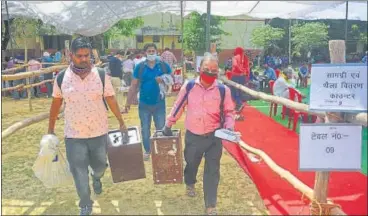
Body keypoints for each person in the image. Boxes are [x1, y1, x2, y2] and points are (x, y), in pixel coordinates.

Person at [47, 37, 129, 216]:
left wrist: (121, 121)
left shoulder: (100, 75)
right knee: (78, 171)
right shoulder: (62, 78)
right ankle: (85, 203)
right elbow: (55, 104)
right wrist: (50, 129)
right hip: (74, 135)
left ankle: (97, 178)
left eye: (87, 55)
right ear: (71, 55)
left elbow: (111, 99)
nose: (84, 59)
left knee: (100, 165)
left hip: (98, 133)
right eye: (79, 56)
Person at [162, 53, 234, 215]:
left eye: (213, 70)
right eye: (206, 69)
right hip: (193, 136)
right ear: (199, 69)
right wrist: (168, 125)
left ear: (218, 72)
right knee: (191, 163)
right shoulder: (189, 87)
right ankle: (190, 182)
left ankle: (210, 205)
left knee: (212, 170)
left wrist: (229, 127)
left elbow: (229, 112)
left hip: (214, 137)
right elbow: (178, 106)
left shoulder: (223, 90)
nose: (209, 73)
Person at [125, 43, 172, 161]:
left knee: (160, 128)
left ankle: (160, 150)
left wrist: (164, 79)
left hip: (159, 103)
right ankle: (147, 150)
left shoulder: (163, 66)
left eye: (153, 51)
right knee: (145, 129)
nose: (151, 53)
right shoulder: (140, 67)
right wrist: (128, 103)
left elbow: (172, 78)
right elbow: (133, 85)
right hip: (144, 104)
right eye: (149, 51)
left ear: (157, 52)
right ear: (145, 53)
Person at [230, 47, 249, 121]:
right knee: (240, 91)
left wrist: (240, 70)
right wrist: (246, 75)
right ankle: (238, 106)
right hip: (243, 77)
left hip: (235, 76)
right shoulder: (245, 58)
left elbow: (235, 65)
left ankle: (239, 103)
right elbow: (247, 68)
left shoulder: (235, 57)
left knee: (234, 92)